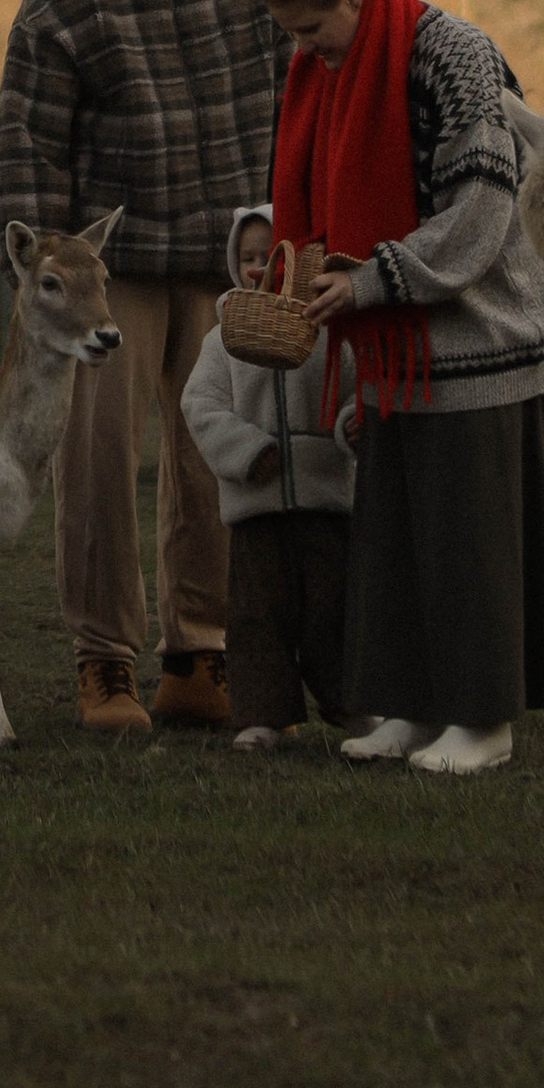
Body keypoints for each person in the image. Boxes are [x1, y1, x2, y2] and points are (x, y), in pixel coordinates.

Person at [261, 0, 544, 776]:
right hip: (403, 345)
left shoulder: (455, 56)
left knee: (469, 539)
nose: (307, 53)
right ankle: (409, 708)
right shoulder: (334, 67)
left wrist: (372, 280)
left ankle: (482, 723)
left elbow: (483, 207)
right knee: (397, 537)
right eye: (294, 39)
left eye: (313, 32)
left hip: (487, 331)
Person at [0, 0, 286, 735]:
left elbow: (302, 110)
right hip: (107, 282)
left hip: (228, 267)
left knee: (215, 463)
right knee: (97, 468)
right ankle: (105, 662)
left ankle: (199, 656)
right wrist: (38, 286)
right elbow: (29, 148)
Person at [181, 203, 355, 750]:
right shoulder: (223, 340)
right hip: (254, 508)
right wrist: (247, 451)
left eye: (270, 254)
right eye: (248, 257)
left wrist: (351, 427)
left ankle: (354, 707)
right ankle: (262, 716)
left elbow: (357, 395)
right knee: (256, 617)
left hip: (327, 506)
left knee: (336, 611)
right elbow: (200, 405)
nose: (258, 267)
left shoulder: (332, 331)